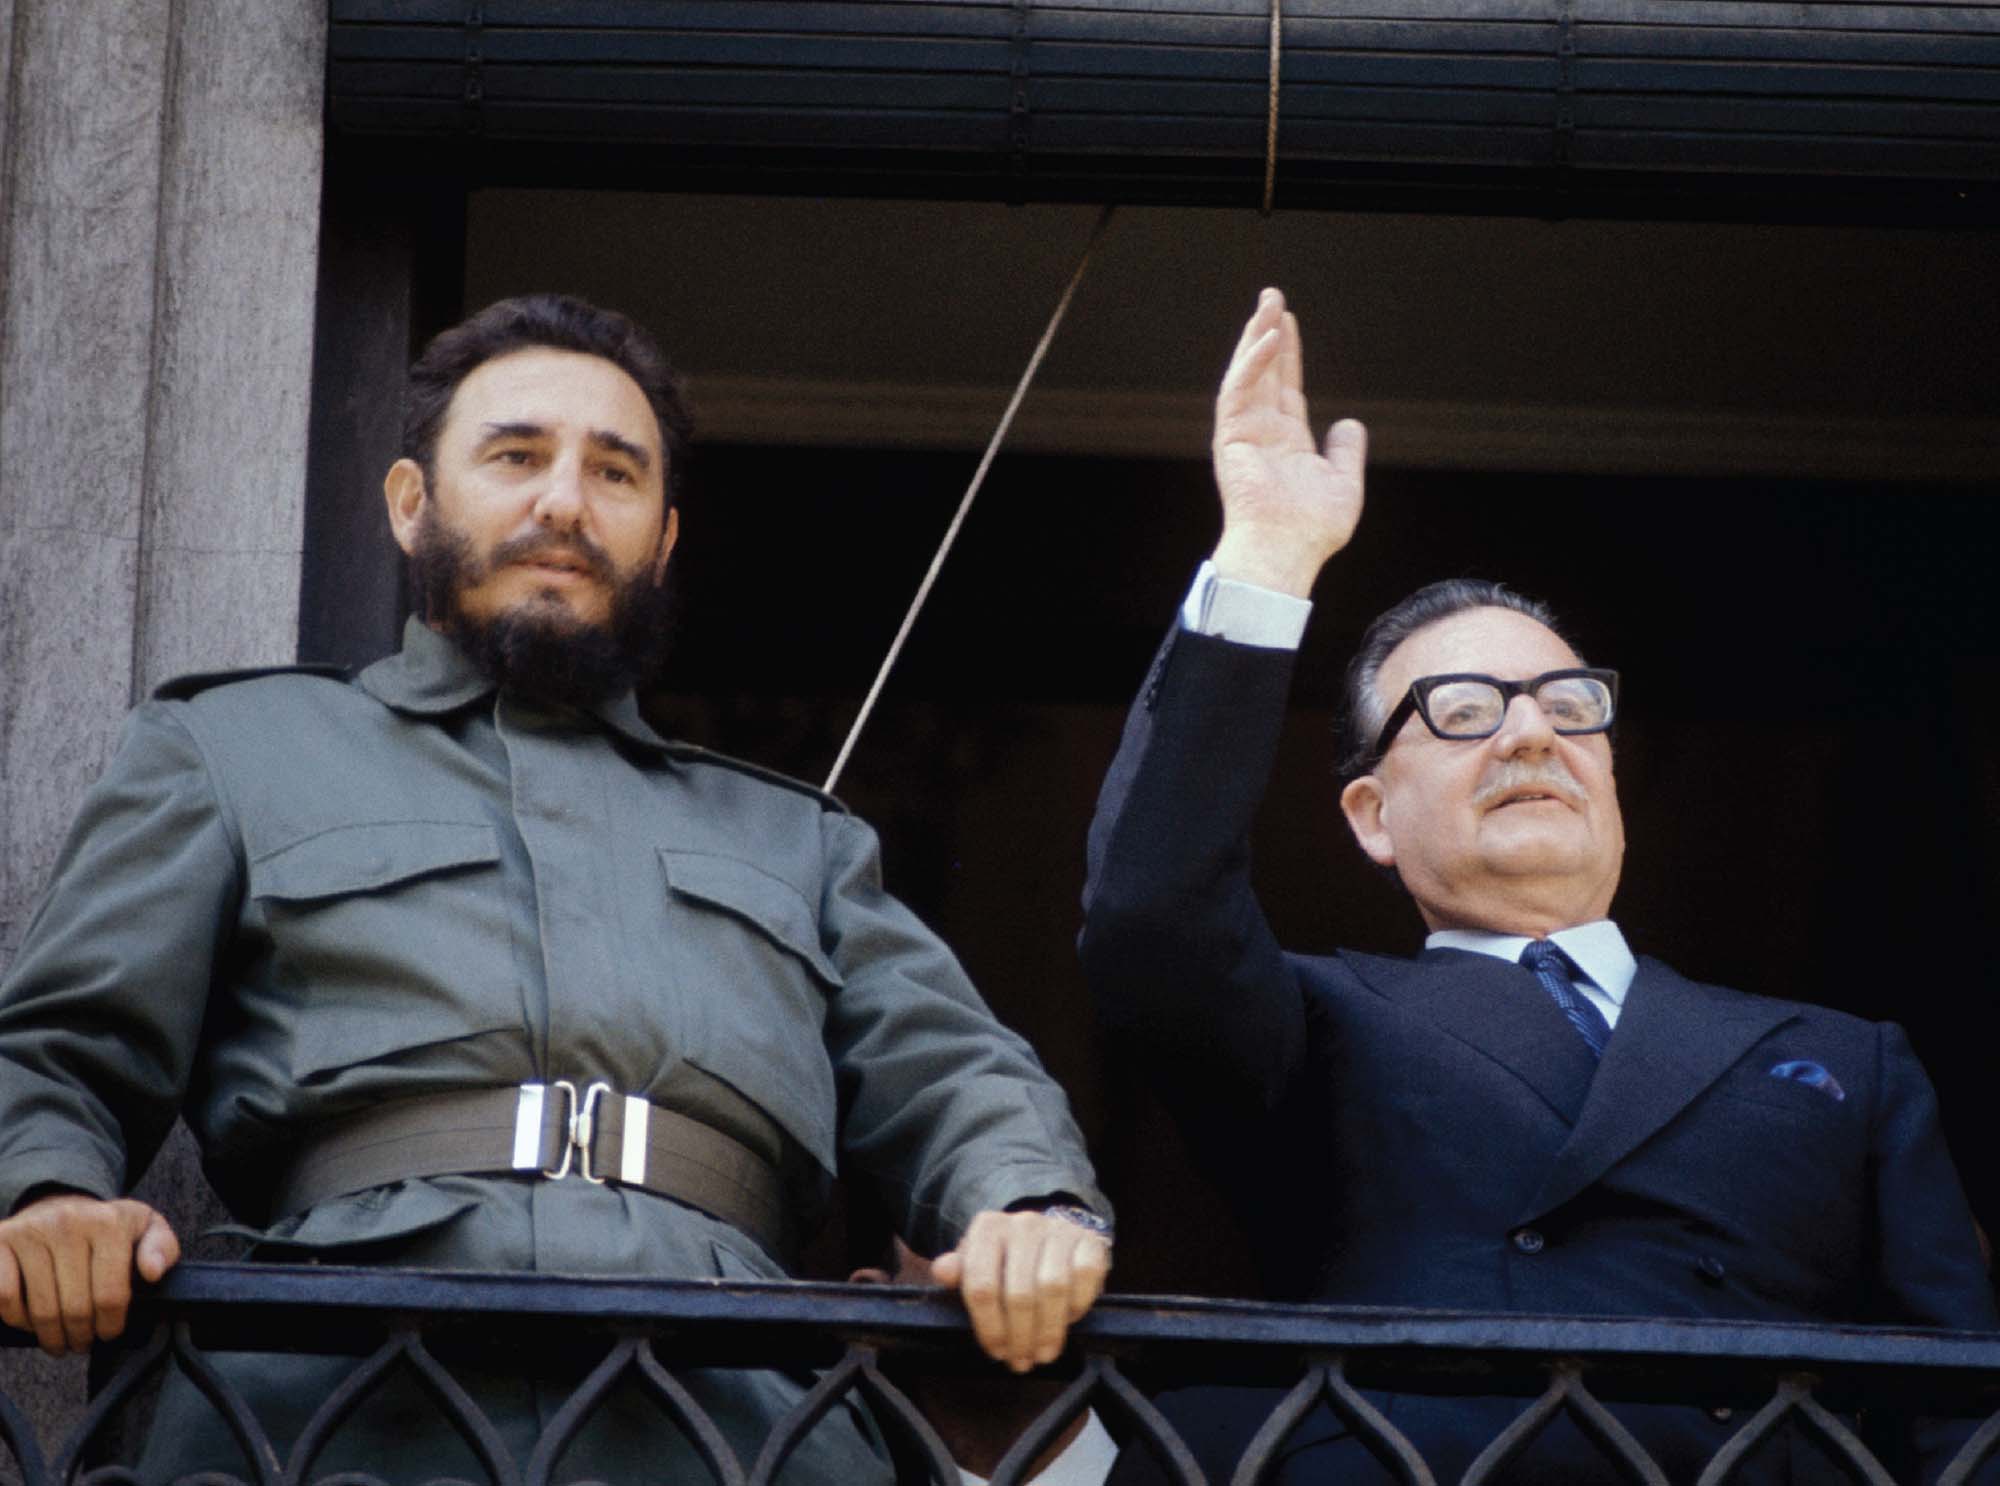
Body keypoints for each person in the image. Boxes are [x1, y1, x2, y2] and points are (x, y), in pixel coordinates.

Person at [0, 293, 1112, 1478]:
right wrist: (46, 1191)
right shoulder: (232, 750)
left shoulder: (799, 842)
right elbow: (62, 1043)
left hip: (731, 1419)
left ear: (664, 540)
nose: (564, 503)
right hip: (326, 1408)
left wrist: (1031, 1209)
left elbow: (952, 1070)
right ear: (410, 502)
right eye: (516, 455)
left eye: (615, 473)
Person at [1079, 289, 1996, 1482]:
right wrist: (1265, 554)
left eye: (1568, 708)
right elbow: (1148, 914)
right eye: (1458, 711)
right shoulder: (1309, 1020)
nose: (1527, 736)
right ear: (1369, 815)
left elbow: (1961, 1410)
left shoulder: (1845, 1057)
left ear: (1607, 771)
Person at [849, 1234, 1117, 1486]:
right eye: (955, 1226)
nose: (1008, 1244)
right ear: (870, 1301)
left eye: (1040, 1224)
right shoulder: (823, 1460)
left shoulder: (1155, 1458)